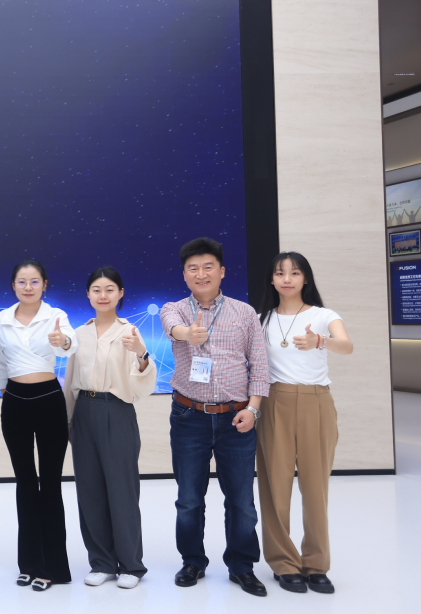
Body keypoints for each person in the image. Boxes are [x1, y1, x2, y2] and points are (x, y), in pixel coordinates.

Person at [159, 238, 270, 597]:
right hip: (188, 416)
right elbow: (172, 327)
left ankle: (241, 566)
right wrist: (188, 334)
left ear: (222, 271)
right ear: (184, 274)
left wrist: (253, 409)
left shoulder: (245, 313)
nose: (201, 274)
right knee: (189, 498)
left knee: (241, 500)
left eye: (208, 267)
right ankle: (192, 561)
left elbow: (260, 366)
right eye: (193, 268)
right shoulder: (174, 309)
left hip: (236, 417)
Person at [255, 252, 353, 594]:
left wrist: (319, 341)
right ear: (271, 279)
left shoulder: (324, 316)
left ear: (305, 278)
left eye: (295, 273)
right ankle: (283, 563)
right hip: (274, 402)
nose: (287, 279)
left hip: (316, 402)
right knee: (275, 487)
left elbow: (347, 346)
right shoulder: (261, 319)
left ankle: (316, 564)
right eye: (280, 273)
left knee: (315, 487)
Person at [62, 267, 156, 590]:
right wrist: (69, 420)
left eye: (110, 289)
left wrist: (141, 353)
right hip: (84, 412)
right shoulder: (79, 334)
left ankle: (131, 564)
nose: (103, 295)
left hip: (117, 411)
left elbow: (142, 383)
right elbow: (70, 381)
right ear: (88, 294)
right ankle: (101, 561)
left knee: (122, 490)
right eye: (96, 290)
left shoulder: (129, 331)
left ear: (121, 293)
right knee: (89, 490)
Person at [0, 259, 77, 592]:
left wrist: (62, 341)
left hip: (48, 400)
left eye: (34, 281)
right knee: (25, 483)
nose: (28, 287)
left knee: (50, 484)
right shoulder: (2, 318)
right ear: (13, 285)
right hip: (15, 402)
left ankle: (52, 567)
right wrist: (5, 390)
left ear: (45, 284)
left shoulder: (56, 316)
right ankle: (28, 563)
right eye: (22, 281)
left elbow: (71, 347)